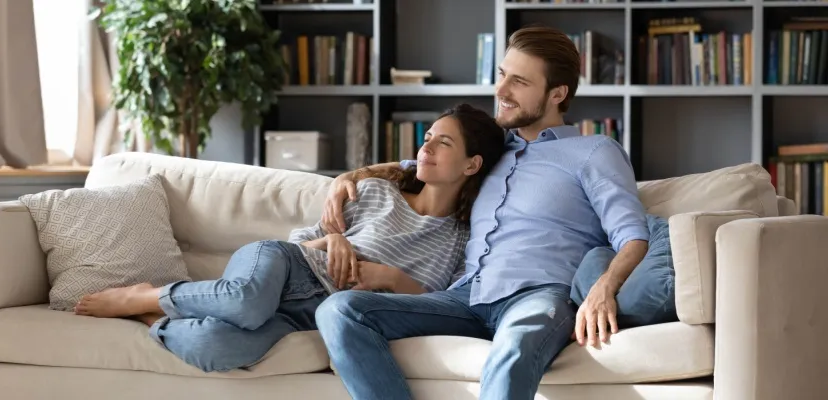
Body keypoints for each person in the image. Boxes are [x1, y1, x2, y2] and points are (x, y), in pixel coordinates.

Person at [314, 25, 651, 400]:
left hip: (540, 297)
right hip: (466, 297)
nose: (500, 91)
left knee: (513, 348)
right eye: (502, 75)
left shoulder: (594, 152)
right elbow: (420, 163)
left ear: (558, 93)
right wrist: (350, 176)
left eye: (519, 82)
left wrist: (602, 289)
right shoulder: (488, 150)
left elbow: (633, 236)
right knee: (340, 310)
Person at [72, 103, 507, 374]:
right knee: (245, 299)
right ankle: (146, 297)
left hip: (307, 313)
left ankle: (156, 318)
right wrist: (334, 241)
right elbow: (295, 244)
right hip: (282, 269)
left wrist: (391, 277)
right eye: (427, 138)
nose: (425, 148)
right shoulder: (376, 191)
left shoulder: (464, 238)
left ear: (471, 165)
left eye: (442, 143)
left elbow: (441, 304)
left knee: (217, 348)